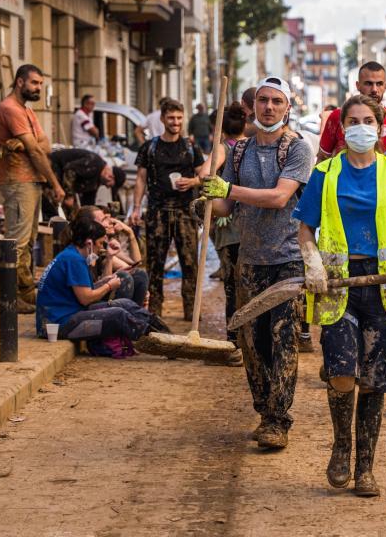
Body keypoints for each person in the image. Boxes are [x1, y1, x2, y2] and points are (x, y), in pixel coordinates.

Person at [293, 94, 386, 497]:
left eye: (368, 120)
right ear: (342, 128)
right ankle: (342, 445)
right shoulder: (324, 174)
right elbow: (305, 229)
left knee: (378, 381)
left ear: (380, 128)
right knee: (342, 371)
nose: (360, 127)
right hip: (339, 285)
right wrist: (310, 261)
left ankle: (365, 467)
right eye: (353, 120)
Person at [202, 76, 314, 450]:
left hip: (288, 259)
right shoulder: (238, 152)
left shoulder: (297, 149)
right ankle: (264, 407)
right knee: (252, 342)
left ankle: (278, 419)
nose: (268, 107)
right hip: (249, 260)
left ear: (287, 108)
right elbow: (224, 207)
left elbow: (280, 198)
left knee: (282, 339)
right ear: (253, 107)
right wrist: (206, 194)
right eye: (263, 100)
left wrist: (227, 189)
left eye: (276, 102)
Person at [0, 64, 66, 313]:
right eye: (34, 83)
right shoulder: (10, 109)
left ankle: (23, 293)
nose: (38, 88)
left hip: (29, 180)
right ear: (20, 82)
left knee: (28, 239)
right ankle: (9, 299)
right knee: (17, 241)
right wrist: (55, 183)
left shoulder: (27, 111)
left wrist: (25, 144)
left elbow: (44, 144)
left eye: (40, 84)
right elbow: (36, 149)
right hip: (17, 180)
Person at [130, 99, 208, 320]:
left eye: (179, 118)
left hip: (185, 213)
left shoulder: (191, 148)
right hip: (157, 212)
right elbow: (140, 179)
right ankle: (154, 312)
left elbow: (204, 175)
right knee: (155, 265)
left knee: (190, 264)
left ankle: (191, 313)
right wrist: (136, 208)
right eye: (171, 118)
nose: (176, 122)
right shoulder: (150, 147)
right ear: (162, 119)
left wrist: (192, 182)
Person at [36, 218, 152, 354]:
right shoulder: (74, 259)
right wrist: (108, 286)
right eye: (100, 243)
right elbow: (86, 298)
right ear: (89, 243)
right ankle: (155, 338)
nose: (101, 248)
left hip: (65, 316)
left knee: (126, 304)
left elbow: (82, 291)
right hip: (58, 324)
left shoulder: (73, 254)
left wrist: (102, 283)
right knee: (118, 315)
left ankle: (163, 334)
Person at [209, 102, 247, 366]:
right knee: (248, 288)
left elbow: (204, 173)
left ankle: (235, 342)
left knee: (234, 288)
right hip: (248, 229)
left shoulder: (224, 149)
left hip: (231, 229)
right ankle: (244, 342)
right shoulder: (253, 148)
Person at [316, 62, 386, 161]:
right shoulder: (337, 116)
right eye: (368, 83)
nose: (374, 89)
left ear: (385, 87)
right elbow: (322, 158)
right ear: (358, 85)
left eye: (379, 84)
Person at [45, 148, 118, 218]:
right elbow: (69, 170)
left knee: (74, 213)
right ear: (110, 175)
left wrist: (93, 214)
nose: (107, 186)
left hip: (62, 179)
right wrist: (69, 195)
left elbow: (88, 201)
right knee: (54, 206)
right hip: (53, 168)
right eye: (109, 183)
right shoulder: (95, 164)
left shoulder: (97, 181)